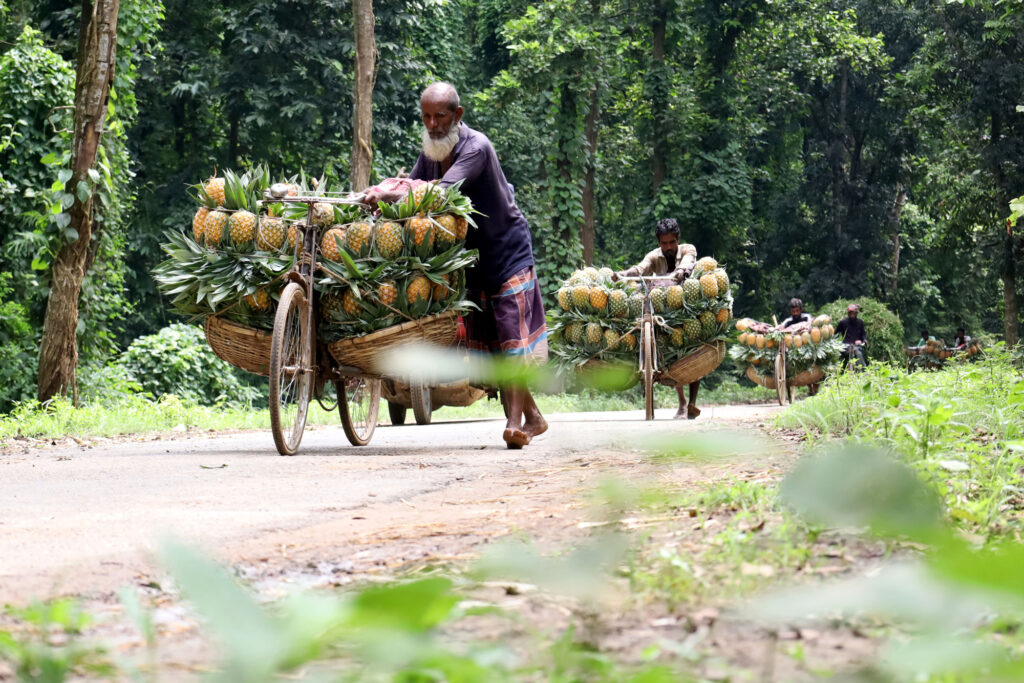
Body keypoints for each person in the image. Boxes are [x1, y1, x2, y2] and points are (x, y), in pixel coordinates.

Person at [363, 82, 547, 450]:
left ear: (457, 115)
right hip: (472, 260)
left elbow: (441, 192)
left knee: (511, 337)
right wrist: (379, 198)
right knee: (495, 345)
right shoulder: (432, 150)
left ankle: (514, 423)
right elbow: (413, 184)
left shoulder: (476, 147)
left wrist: (391, 193)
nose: (432, 124)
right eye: (426, 116)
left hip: (506, 250)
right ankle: (535, 418)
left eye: (440, 116)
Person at [612, 218, 700, 419]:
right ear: (659, 242)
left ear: (678, 240)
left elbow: (688, 263)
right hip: (660, 307)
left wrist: (680, 273)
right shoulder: (654, 255)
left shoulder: (688, 249)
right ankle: (682, 402)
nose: (668, 247)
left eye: (671, 242)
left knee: (694, 345)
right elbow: (640, 269)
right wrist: (624, 274)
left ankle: (692, 402)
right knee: (667, 348)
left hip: (684, 304)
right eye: (664, 243)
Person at [778, 298, 819, 396]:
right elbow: (782, 327)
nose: (795, 313)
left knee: (815, 364)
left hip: (807, 345)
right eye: (793, 311)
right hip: (794, 348)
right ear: (790, 311)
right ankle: (810, 388)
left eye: (797, 311)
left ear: (801, 310)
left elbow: (810, 325)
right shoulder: (788, 320)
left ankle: (815, 388)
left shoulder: (807, 317)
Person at [836, 303, 867, 371]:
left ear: (856, 313)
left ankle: (862, 371)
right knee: (852, 351)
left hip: (857, 345)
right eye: (850, 313)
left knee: (858, 352)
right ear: (848, 313)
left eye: (853, 313)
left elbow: (863, 334)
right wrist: (836, 344)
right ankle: (852, 370)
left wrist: (864, 340)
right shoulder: (843, 322)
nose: (852, 314)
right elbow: (836, 333)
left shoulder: (860, 322)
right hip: (846, 345)